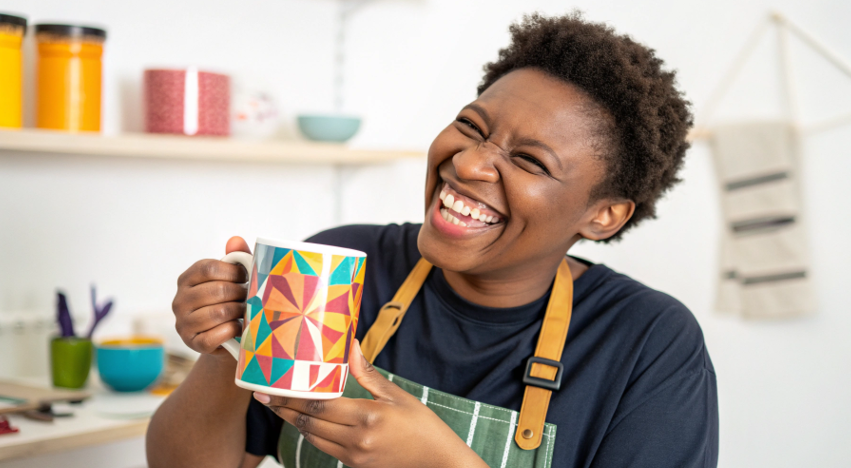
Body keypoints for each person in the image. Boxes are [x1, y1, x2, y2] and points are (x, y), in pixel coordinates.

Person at [147, 12, 718, 468]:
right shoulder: (341, 267)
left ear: (604, 215)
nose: (468, 164)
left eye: (528, 161)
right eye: (472, 127)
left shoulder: (648, 344)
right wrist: (229, 344)